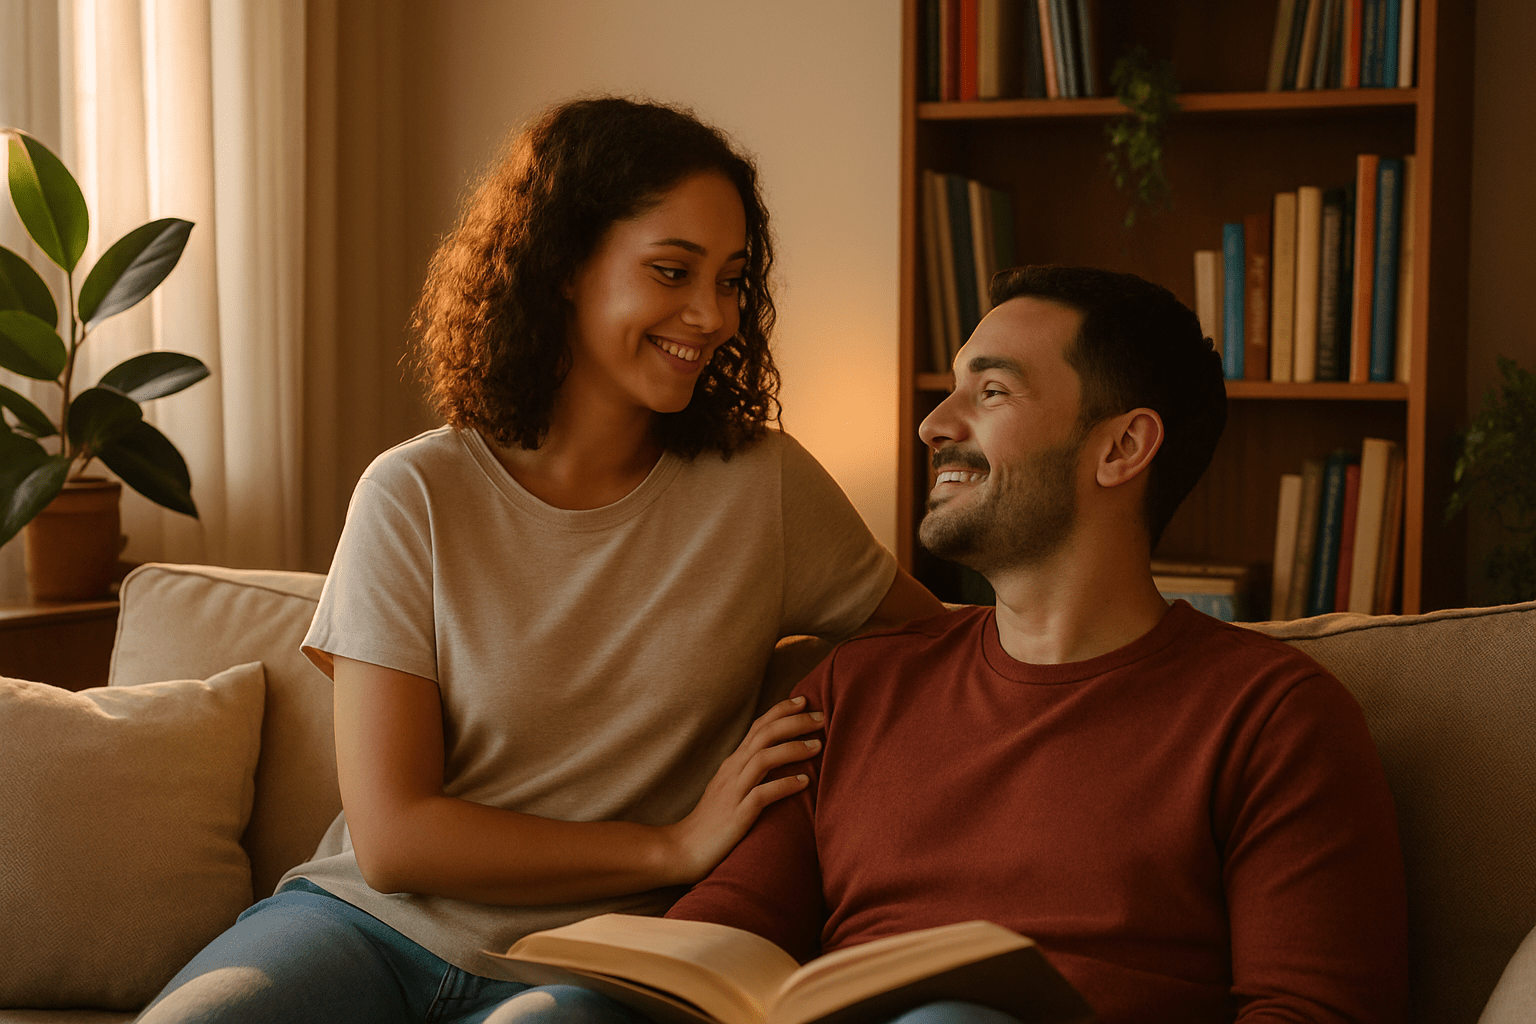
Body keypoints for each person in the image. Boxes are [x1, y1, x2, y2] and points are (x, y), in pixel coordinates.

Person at [136, 97, 942, 1024]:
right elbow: (395, 840)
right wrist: (670, 847)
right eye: (673, 271)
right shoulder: (414, 494)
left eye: (731, 279)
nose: (713, 314)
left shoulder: (764, 486)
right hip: (360, 923)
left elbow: (950, 653)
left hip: (598, 962)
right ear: (562, 266)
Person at [560, 265, 1411, 1024]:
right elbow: (717, 944)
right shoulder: (854, 688)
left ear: (1121, 447)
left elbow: (1314, 1011)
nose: (935, 424)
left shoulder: (1272, 718)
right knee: (557, 1015)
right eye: (952, 389)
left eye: (992, 392)